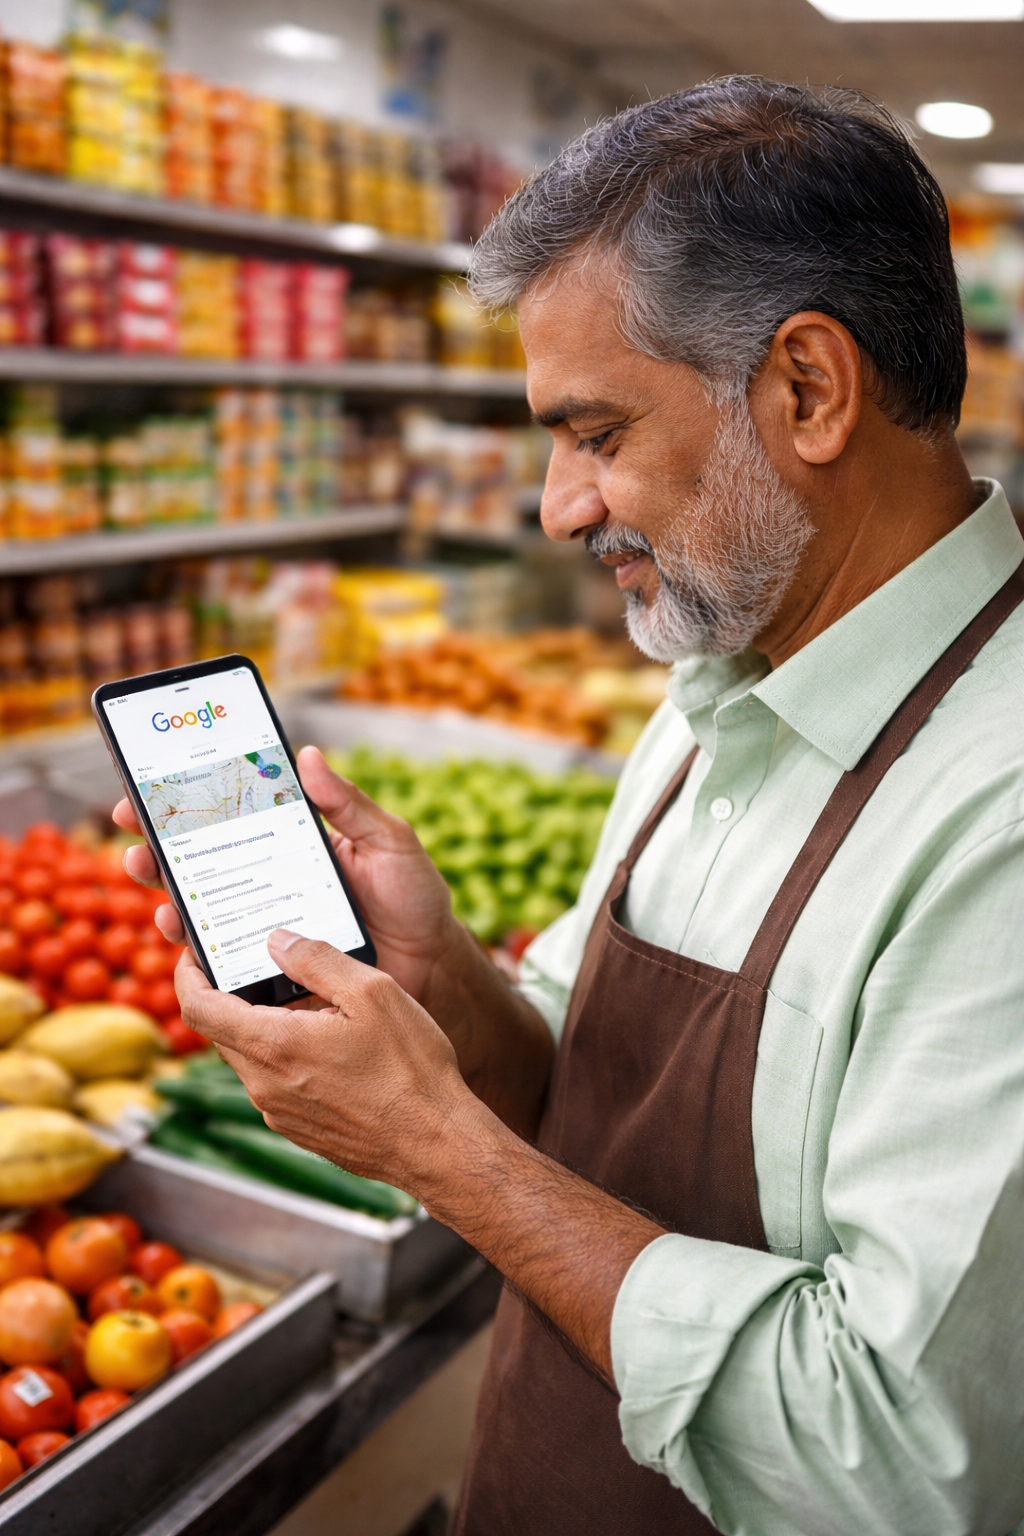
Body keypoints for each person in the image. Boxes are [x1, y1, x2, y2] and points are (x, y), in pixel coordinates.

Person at [114, 78, 1024, 1536]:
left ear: (808, 388)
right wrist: (449, 989)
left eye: (595, 433)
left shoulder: (1000, 815)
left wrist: (435, 1148)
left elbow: (904, 1464)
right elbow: (582, 1099)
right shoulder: (722, 675)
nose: (557, 507)